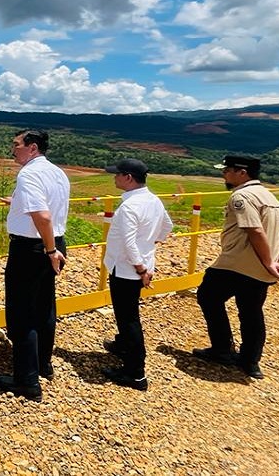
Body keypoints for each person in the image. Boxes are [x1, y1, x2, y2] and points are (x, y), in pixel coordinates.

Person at [193, 154, 279, 379]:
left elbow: (254, 230)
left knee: (208, 296)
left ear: (242, 172)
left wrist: (268, 261)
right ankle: (250, 361)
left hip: (236, 264)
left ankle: (222, 349)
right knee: (251, 312)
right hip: (262, 270)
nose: (223, 174)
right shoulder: (270, 197)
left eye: (227, 170)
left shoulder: (243, 197)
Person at [0, 129, 70, 401]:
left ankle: (26, 381)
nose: (13, 150)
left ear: (32, 148)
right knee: (44, 305)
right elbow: (47, 207)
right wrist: (17, 204)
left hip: (34, 248)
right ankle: (42, 364)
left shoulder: (29, 174)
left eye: (16, 145)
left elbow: (42, 215)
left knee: (22, 312)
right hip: (55, 242)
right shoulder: (57, 172)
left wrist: (49, 250)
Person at [100, 158, 173, 391]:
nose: (114, 177)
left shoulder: (130, 206)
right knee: (128, 312)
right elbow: (167, 227)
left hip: (126, 269)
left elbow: (129, 243)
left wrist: (140, 267)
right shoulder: (153, 200)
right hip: (141, 265)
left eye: (117, 174)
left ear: (128, 178)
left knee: (128, 317)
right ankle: (123, 347)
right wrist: (148, 248)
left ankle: (135, 372)